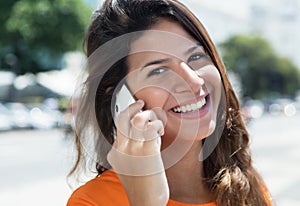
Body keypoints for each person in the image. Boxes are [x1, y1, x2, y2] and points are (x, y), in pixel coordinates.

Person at [67, 0, 272, 205]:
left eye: (196, 56)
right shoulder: (91, 201)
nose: (193, 81)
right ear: (120, 98)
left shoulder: (247, 188)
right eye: (159, 70)